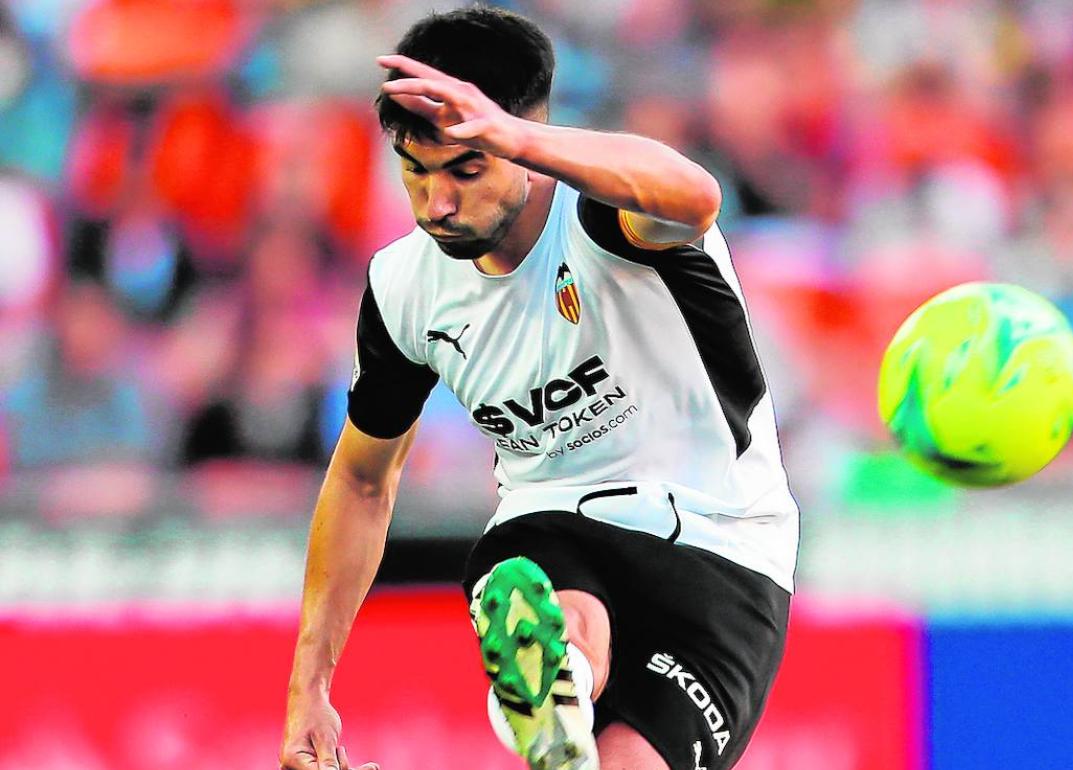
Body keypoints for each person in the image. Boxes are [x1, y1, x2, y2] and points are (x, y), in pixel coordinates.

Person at [278, 8, 798, 770]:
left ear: (524, 140)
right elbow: (361, 480)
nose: (436, 206)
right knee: (552, 597)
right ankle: (556, 685)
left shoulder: (610, 214)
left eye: (466, 169)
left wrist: (515, 140)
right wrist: (309, 686)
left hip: (723, 542)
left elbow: (696, 197)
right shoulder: (403, 288)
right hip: (553, 526)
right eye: (414, 171)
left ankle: (559, 709)